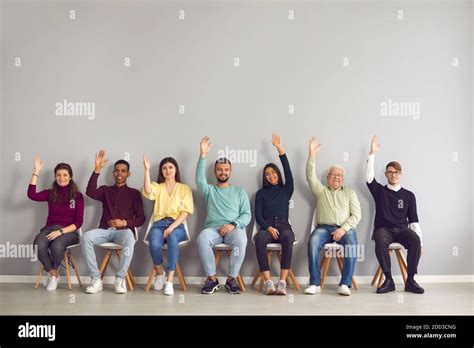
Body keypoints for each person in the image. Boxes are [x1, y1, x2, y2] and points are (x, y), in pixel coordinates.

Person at [81, 150, 145, 294]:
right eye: (116, 171)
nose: (119, 173)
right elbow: (90, 192)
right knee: (86, 237)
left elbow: (141, 218)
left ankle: (120, 278)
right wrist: (97, 169)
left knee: (129, 236)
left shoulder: (134, 194)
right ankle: (96, 279)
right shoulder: (105, 190)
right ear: (113, 173)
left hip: (123, 232)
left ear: (128, 174)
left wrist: (124, 222)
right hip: (104, 230)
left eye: (123, 171)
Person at [366, 135, 424, 294]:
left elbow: (414, 220)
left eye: (397, 172)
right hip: (384, 230)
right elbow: (369, 177)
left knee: (415, 240)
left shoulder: (409, 195)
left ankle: (410, 281)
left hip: (402, 230)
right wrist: (372, 154)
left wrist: (421, 243)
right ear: (386, 174)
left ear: (401, 174)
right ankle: (389, 280)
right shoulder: (379, 192)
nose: (394, 175)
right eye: (390, 172)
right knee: (379, 238)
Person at [304, 137, 361, 296]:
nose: (337, 177)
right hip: (323, 228)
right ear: (328, 177)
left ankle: (345, 284)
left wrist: (343, 229)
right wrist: (312, 154)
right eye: (333, 174)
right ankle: (315, 283)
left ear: (343, 179)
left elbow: (357, 215)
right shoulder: (320, 191)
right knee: (312, 242)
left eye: (340, 175)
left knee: (352, 245)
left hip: (345, 229)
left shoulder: (350, 193)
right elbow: (310, 175)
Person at [196, 136, 251, 294]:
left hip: (233, 229)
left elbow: (247, 215)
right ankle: (212, 280)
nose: (223, 172)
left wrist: (233, 224)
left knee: (241, 239)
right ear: (215, 171)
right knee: (202, 238)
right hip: (213, 229)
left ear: (230, 172)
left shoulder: (239, 192)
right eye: (220, 169)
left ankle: (231, 279)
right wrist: (203, 155)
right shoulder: (209, 191)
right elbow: (199, 180)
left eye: (226, 169)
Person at [28, 155, 84, 291]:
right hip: (49, 229)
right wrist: (36, 172)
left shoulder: (77, 196)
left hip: (69, 231)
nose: (62, 178)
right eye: (58, 175)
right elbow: (31, 195)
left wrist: (60, 231)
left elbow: (78, 222)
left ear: (70, 177)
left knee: (57, 245)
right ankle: (54, 274)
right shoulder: (50, 193)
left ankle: (52, 276)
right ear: (55, 177)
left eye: (65, 175)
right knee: (38, 245)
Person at [142, 155, 194, 295]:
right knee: (153, 242)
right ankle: (160, 273)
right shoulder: (157, 187)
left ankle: (169, 282)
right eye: (164, 168)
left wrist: (171, 227)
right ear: (161, 171)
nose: (167, 170)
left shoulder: (184, 188)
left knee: (172, 238)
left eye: (170, 167)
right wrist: (146, 170)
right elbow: (148, 191)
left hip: (177, 226)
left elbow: (185, 213)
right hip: (158, 224)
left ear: (176, 170)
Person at [254, 134, 295, 295]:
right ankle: (269, 282)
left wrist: (280, 148)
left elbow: (288, 170)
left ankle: (282, 282)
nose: (271, 176)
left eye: (273, 173)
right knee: (259, 238)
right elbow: (258, 216)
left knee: (288, 238)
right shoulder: (260, 194)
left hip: (284, 225)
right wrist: (268, 228)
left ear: (278, 174)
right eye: (267, 174)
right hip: (267, 225)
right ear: (265, 177)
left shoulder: (286, 190)